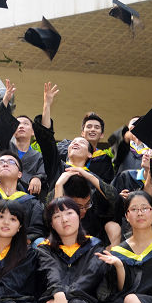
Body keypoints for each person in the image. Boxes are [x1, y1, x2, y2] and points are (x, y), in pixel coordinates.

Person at [34, 83, 120, 246]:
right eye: (73, 142)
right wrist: (47, 105)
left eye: (81, 143)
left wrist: (87, 175)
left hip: (88, 238)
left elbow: (114, 198)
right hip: (57, 238)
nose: (75, 143)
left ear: (90, 154)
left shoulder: (93, 177)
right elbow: (46, 141)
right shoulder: (58, 167)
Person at [0, 79, 47, 196]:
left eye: (26, 124)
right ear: (13, 130)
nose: (21, 126)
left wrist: (37, 178)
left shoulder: (38, 157)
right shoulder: (5, 147)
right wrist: (5, 101)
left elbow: (44, 172)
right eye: (18, 124)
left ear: (33, 132)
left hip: (27, 196)